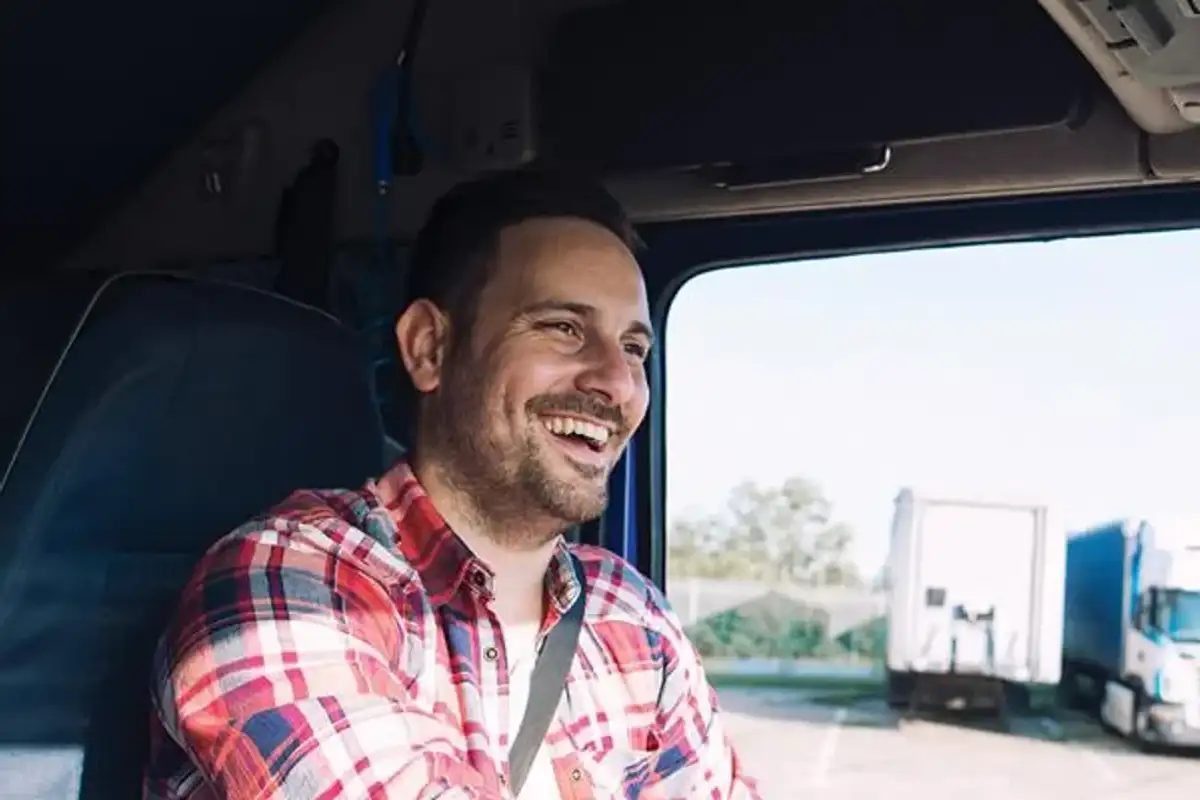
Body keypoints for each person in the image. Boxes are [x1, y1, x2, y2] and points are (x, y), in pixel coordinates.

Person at [145, 168, 761, 800]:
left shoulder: (631, 614)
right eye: (564, 328)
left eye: (633, 349)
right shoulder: (290, 582)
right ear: (429, 348)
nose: (617, 383)